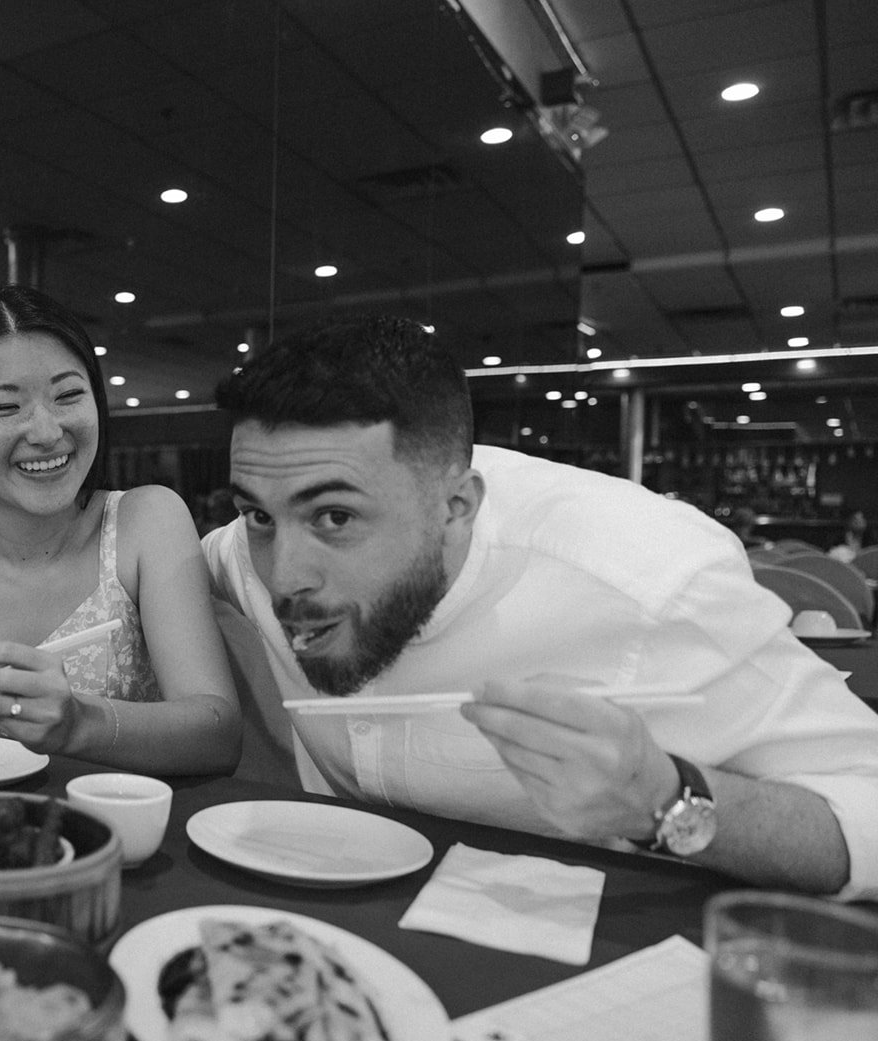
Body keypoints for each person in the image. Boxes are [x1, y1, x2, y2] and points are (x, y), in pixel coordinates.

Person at [202, 314, 878, 899]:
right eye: (257, 514)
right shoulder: (247, 551)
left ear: (456, 507)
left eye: (336, 516)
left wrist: (663, 800)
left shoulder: (651, 583)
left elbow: (867, 808)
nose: (283, 577)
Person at [0, 285, 238, 775]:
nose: (46, 432)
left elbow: (217, 736)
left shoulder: (146, 522)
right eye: (4, 407)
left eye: (67, 395)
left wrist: (78, 724)